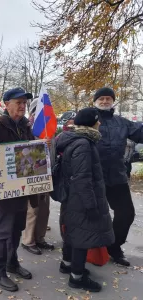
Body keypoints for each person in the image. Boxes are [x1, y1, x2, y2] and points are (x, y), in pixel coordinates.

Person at [0, 88, 36, 292]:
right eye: (18, 102)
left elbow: (31, 155)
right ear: (6, 104)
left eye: (24, 103)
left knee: (16, 229)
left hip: (21, 190)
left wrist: (42, 147)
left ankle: (12, 263)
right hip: (2, 191)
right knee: (2, 232)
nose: (22, 106)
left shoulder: (26, 127)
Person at [56, 107, 114, 292]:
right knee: (82, 236)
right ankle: (77, 277)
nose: (100, 124)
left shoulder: (76, 139)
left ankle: (67, 264)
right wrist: (91, 205)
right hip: (81, 199)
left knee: (73, 232)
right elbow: (82, 178)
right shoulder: (83, 144)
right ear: (92, 123)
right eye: (98, 121)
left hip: (73, 196)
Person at [93, 87, 143, 266]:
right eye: (102, 98)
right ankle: (79, 251)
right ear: (95, 101)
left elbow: (140, 132)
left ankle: (114, 247)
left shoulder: (122, 123)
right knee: (89, 215)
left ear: (113, 102)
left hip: (116, 176)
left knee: (126, 213)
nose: (105, 101)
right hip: (92, 177)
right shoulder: (87, 119)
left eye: (108, 98)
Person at [21, 99, 54, 255]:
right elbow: (22, 150)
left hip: (46, 174)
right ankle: (28, 241)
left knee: (44, 210)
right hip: (31, 175)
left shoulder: (50, 128)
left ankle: (40, 238)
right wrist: (40, 144)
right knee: (32, 210)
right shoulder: (26, 127)